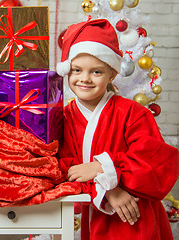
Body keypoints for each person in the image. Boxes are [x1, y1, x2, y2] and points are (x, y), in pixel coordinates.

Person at [56, 19, 179, 240]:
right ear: (68, 71)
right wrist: (108, 189)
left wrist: (100, 168)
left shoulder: (132, 113)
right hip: (96, 217)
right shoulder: (64, 117)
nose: (84, 78)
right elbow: (66, 169)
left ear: (112, 74)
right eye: (77, 70)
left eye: (96, 72)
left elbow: (154, 163)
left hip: (135, 216)